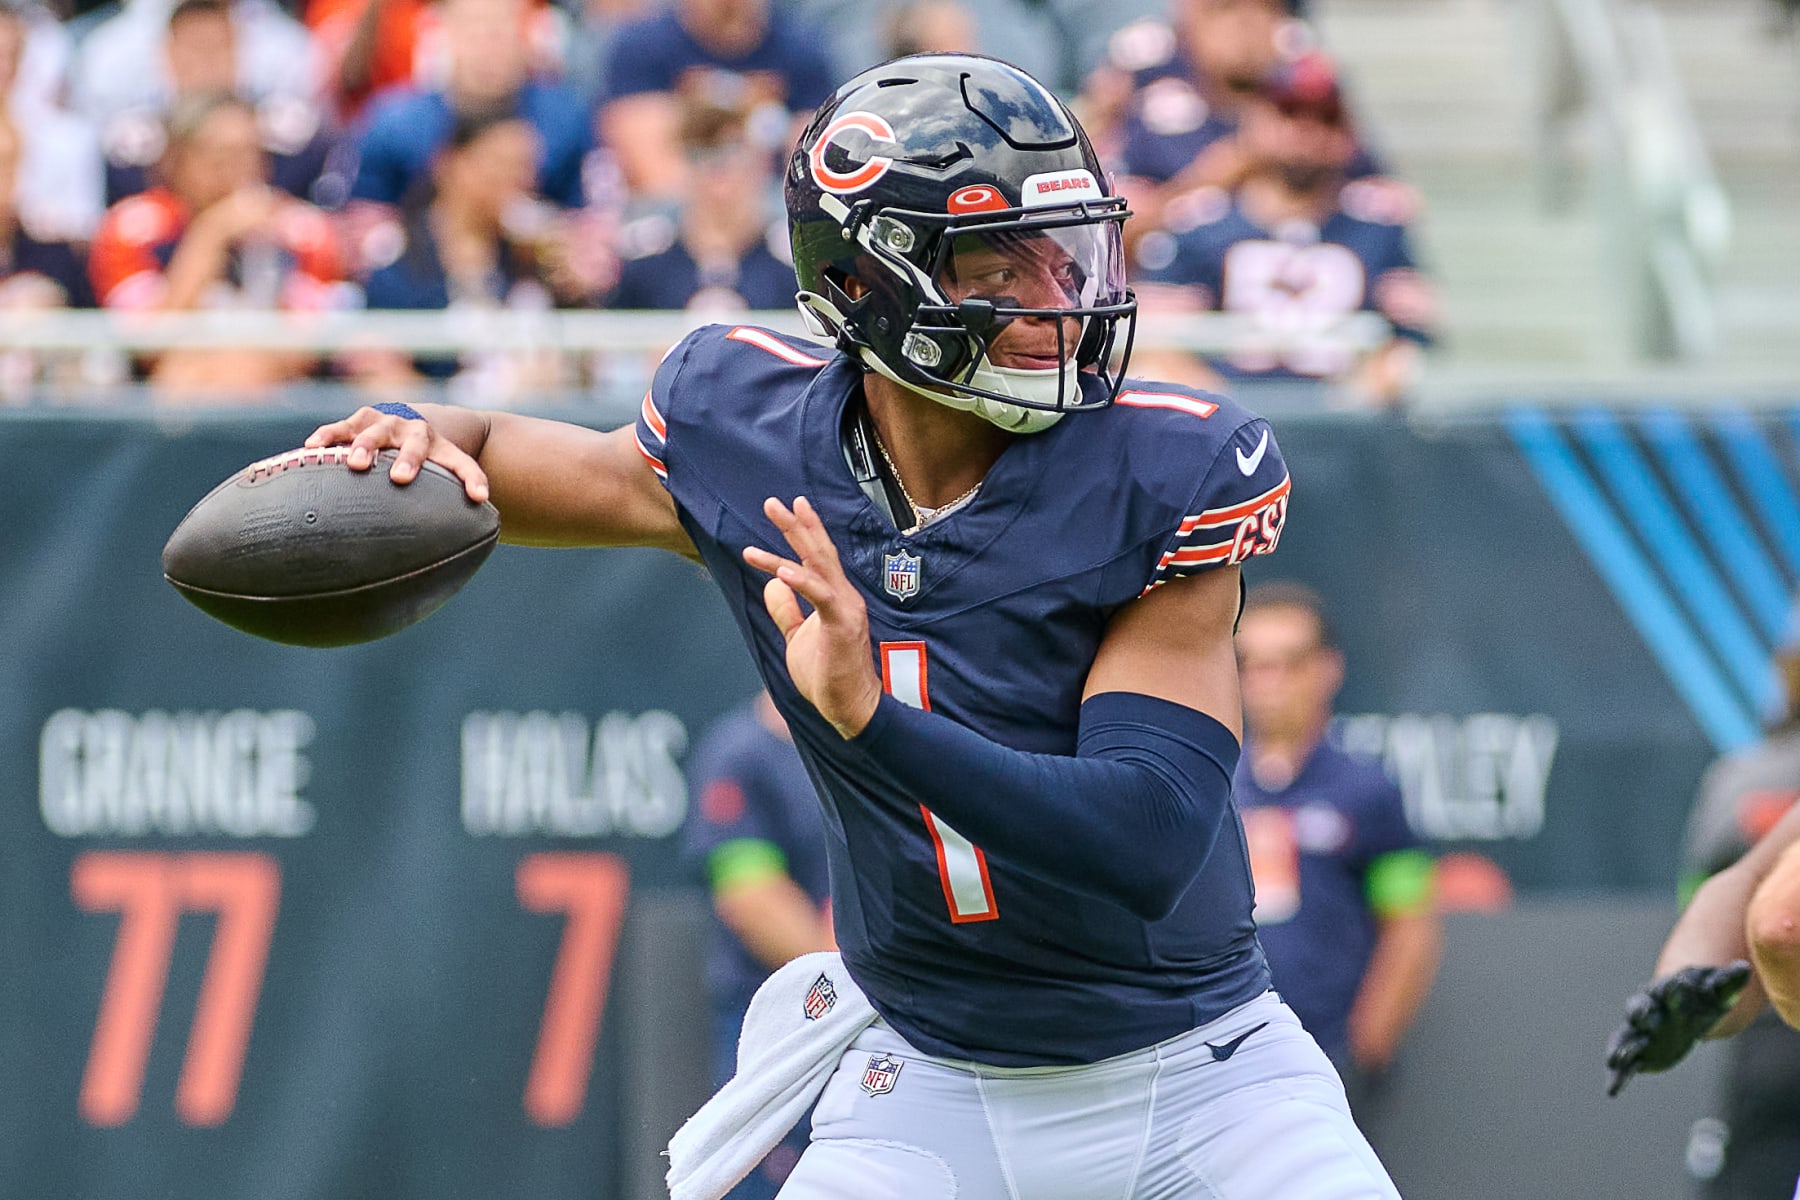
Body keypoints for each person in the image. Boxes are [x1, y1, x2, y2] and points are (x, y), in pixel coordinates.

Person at [306, 52, 1402, 1198]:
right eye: (999, 263)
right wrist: (424, 432)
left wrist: (871, 718)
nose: (1055, 300)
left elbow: (1148, 838)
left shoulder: (1160, 471)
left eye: (1066, 252)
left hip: (1206, 1083)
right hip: (929, 1085)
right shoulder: (748, 429)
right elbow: (545, 465)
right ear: (870, 283)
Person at [1231, 581, 1441, 1112]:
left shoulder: (1370, 790)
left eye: (1289, 662)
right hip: (1220, 1064)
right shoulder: (1207, 786)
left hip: (1328, 1063)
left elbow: (1411, 924)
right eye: (1251, 663)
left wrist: (1366, 1045)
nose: (1268, 682)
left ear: (1327, 669)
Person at [1132, 53, 1436, 407]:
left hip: (1343, 435)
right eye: (1289, 112)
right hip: (1225, 422)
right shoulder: (1199, 222)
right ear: (1254, 122)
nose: (1307, 132)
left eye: (1326, 118)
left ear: (1349, 133)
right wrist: (1230, 415)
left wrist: (1346, 406)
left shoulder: (1377, 225)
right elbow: (1155, 343)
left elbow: (1408, 343)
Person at [87, 90, 345, 396]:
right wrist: (210, 235)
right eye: (215, 155)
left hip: (274, 392)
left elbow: (302, 354)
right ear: (174, 160)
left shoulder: (304, 231)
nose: (232, 170)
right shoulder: (131, 228)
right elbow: (149, 349)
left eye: (247, 154)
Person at [684, 691, 834, 1200]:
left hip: (884, 1031)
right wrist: (853, 979)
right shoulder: (741, 754)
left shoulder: (885, 745)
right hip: (774, 1029)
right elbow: (751, 899)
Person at [354, 105, 599, 399]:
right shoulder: (397, 254)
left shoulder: (533, 256)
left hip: (533, 421)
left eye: (526, 167)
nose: (519, 180)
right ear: (453, 164)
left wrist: (574, 293)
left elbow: (584, 364)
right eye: (502, 164)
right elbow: (378, 366)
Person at [99, 0, 343, 207]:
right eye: (195, 49)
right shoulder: (135, 147)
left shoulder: (290, 139)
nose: (207, 62)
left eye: (219, 48)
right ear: (168, 55)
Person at [595, 0, 836, 205]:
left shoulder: (802, 51)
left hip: (770, 212)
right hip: (677, 216)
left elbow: (811, 171)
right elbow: (652, 172)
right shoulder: (643, 48)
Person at [606, 98, 795, 313]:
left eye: (733, 150)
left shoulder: (792, 260)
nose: (717, 167)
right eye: (701, 152)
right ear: (682, 160)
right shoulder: (643, 255)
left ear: (761, 160)